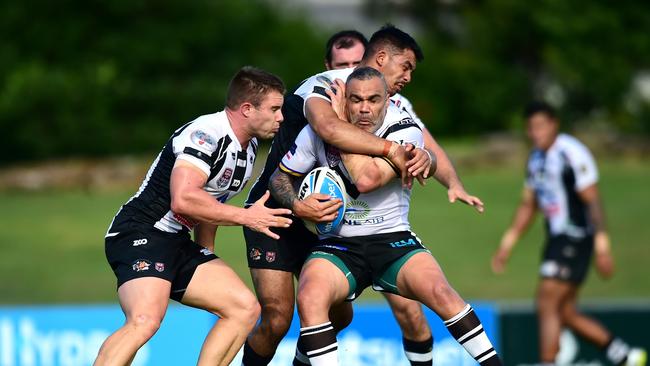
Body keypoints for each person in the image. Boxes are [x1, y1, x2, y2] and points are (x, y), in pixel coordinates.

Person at [269, 67, 502, 365]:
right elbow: (279, 178)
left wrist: (339, 127)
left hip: (393, 241)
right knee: (310, 297)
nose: (364, 108)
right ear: (346, 100)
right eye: (355, 100)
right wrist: (299, 206)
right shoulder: (316, 131)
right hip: (339, 245)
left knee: (442, 294)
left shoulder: (404, 130)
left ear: (388, 100)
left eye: (373, 100)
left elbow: (366, 180)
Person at [94, 66, 294, 366]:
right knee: (145, 320)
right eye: (275, 109)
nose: (281, 117)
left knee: (244, 308)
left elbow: (209, 203)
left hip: (176, 241)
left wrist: (206, 255)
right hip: (140, 231)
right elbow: (184, 199)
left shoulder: (249, 147)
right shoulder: (206, 133)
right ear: (247, 109)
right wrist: (248, 217)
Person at [491, 101, 647, 366]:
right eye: (530, 128)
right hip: (555, 238)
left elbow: (593, 202)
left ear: (554, 124)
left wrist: (602, 247)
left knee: (546, 300)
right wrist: (508, 244)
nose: (535, 133)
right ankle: (625, 356)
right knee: (565, 311)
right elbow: (529, 205)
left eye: (540, 126)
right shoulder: (536, 160)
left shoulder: (571, 153)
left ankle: (548, 362)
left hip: (576, 236)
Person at [323, 29, 435, 366]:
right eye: (343, 65)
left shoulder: (397, 107)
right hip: (334, 235)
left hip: (385, 233)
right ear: (329, 67)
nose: (351, 70)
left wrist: (435, 165)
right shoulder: (320, 101)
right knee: (320, 313)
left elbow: (423, 145)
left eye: (357, 62)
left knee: (411, 315)